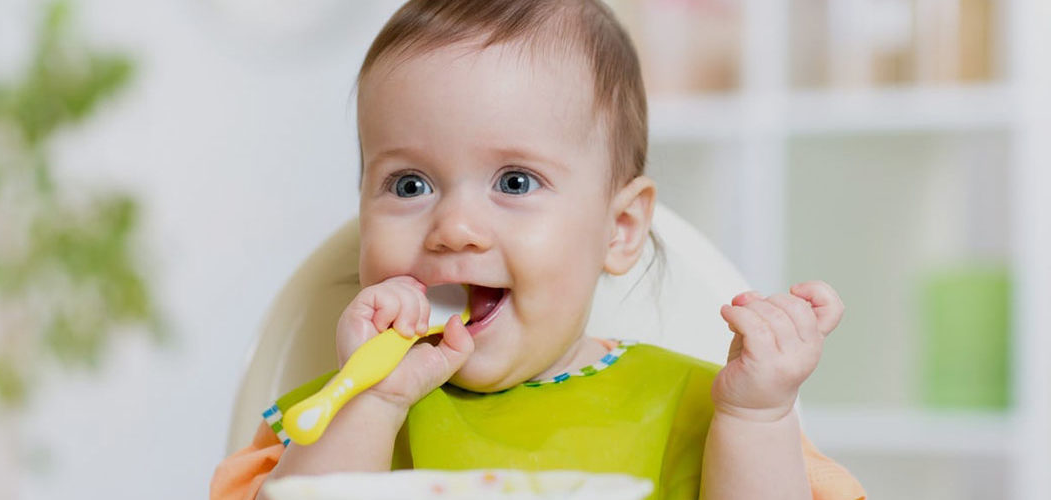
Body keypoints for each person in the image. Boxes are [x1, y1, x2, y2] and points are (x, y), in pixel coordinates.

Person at [212, 1, 866, 498]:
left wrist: (756, 419)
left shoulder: (699, 412)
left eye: (515, 182)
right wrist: (369, 403)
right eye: (409, 184)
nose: (454, 228)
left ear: (620, 229)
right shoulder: (332, 422)